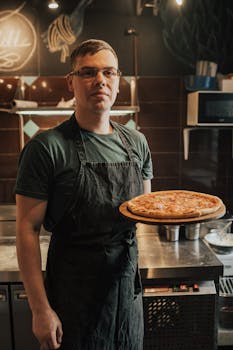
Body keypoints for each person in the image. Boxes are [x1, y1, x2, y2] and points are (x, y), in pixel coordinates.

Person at [15, 39, 153, 350]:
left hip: (126, 297)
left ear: (118, 81)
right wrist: (40, 310)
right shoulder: (46, 146)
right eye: (88, 72)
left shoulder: (137, 143)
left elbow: (147, 209)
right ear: (71, 82)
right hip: (72, 301)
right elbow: (26, 229)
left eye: (108, 72)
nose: (100, 80)